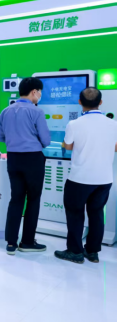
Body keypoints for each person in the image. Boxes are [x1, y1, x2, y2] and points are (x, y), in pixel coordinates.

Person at [55, 88, 117, 264]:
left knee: (75, 214)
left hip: (79, 178)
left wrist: (66, 144)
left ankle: (75, 252)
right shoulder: (113, 124)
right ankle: (92, 252)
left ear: (80, 102)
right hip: (104, 179)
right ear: (101, 102)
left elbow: (68, 146)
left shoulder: (74, 124)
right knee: (96, 214)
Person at [0, 77, 51, 255]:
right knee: (33, 199)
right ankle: (27, 242)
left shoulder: (5, 111)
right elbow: (46, 140)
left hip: (13, 158)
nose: (40, 95)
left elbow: (0, 137)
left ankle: (11, 243)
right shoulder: (37, 112)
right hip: (33, 159)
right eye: (40, 92)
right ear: (34, 92)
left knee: (16, 199)